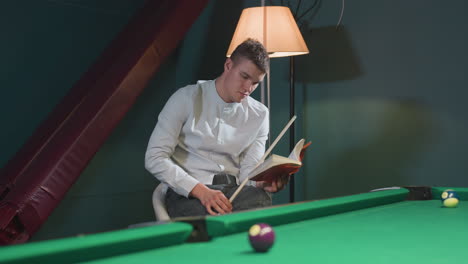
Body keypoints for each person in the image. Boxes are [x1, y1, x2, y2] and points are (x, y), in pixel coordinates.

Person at [145, 38, 289, 218]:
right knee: (208, 215)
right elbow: (154, 158)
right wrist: (200, 191)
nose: (248, 88)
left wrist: (261, 182)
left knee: (262, 201)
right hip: (190, 193)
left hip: (234, 192)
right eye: (244, 77)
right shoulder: (184, 98)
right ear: (228, 65)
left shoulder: (260, 114)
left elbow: (248, 171)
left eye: (255, 82)